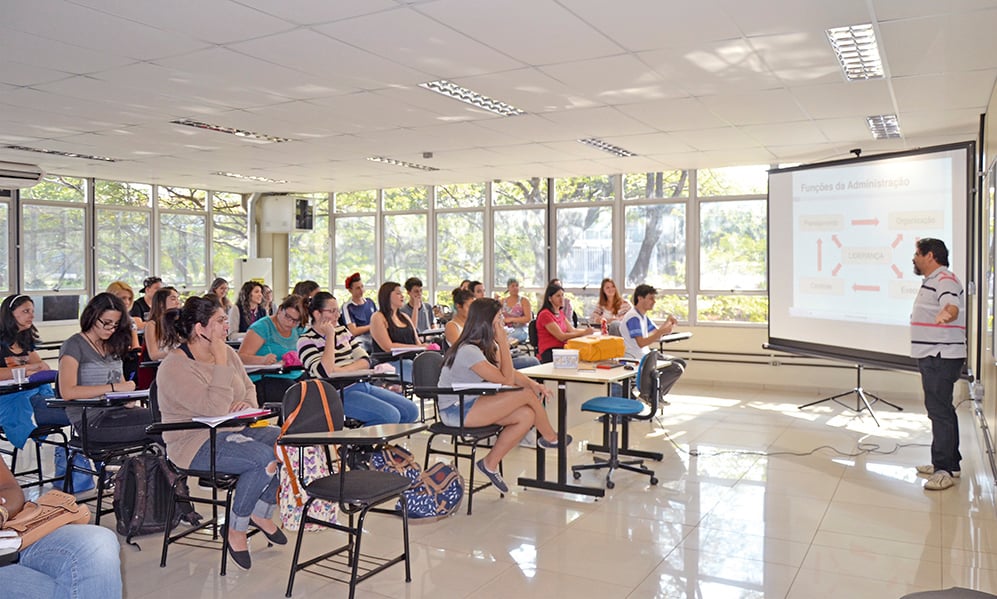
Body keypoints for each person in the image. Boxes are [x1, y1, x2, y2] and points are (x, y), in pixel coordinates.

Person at [157, 296, 285, 570]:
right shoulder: (174, 366)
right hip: (193, 443)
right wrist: (221, 362)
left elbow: (249, 388)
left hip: (234, 429)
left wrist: (246, 405)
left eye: (226, 319)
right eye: (220, 321)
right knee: (262, 459)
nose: (227, 326)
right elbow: (212, 409)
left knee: (286, 443)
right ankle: (236, 528)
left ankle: (261, 513)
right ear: (200, 328)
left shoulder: (227, 353)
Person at [437, 298, 566, 493]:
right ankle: (551, 437)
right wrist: (503, 341)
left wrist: (534, 384)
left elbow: (509, 373)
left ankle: (489, 463)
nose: (502, 322)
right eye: (498, 318)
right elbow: (506, 380)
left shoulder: (485, 345)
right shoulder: (468, 350)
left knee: (526, 415)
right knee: (525, 395)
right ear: (486, 321)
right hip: (455, 410)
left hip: (473, 401)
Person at [0, 458, 123, 598]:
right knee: (78, 590)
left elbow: (8, 487)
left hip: (10, 538)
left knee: (98, 543)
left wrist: (1, 512)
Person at [298, 292, 419, 424]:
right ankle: (362, 438)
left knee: (411, 411)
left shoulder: (343, 332)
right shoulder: (306, 340)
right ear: (317, 314)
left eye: (337, 311)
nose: (337, 315)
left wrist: (340, 371)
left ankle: (377, 437)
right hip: (336, 393)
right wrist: (330, 336)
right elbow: (324, 372)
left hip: (361, 384)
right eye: (332, 311)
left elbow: (365, 360)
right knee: (390, 416)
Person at [58, 293, 153, 443]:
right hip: (91, 420)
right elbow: (67, 392)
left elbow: (121, 385)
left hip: (117, 412)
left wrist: (129, 397)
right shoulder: (74, 345)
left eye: (116, 324)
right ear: (92, 316)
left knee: (167, 418)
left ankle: (164, 457)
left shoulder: (112, 345)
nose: (111, 329)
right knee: (159, 426)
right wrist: (113, 388)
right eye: (107, 323)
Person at [910, 238, 967, 491]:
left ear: (930, 256)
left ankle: (943, 470)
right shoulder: (934, 280)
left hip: (940, 355)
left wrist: (948, 313)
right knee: (942, 409)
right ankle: (949, 464)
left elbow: (951, 304)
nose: (914, 258)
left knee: (938, 411)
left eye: (917, 254)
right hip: (935, 354)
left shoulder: (944, 279)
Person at [0, 294, 66, 448]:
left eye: (32, 311)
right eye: (26, 311)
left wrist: (31, 369)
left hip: (31, 395)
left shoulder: (24, 342)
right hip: (11, 400)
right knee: (80, 414)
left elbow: (42, 367)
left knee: (74, 401)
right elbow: (31, 369)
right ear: (10, 314)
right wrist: (27, 369)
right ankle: (72, 456)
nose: (31, 316)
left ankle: (71, 455)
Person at [619, 284, 686, 398]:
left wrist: (668, 322)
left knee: (681, 362)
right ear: (640, 298)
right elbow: (641, 343)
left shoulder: (643, 317)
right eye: (651, 298)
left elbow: (657, 333)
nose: (654, 302)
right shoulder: (633, 318)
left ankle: (654, 395)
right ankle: (650, 395)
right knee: (676, 368)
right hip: (636, 357)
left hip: (646, 354)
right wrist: (661, 332)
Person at [238, 295, 306, 403]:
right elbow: (240, 357)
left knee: (316, 389)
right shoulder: (262, 327)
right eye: (287, 317)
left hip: (294, 375)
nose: (290, 323)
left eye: (295, 321)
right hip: (265, 378)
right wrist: (262, 360)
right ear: (280, 310)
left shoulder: (299, 329)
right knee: (296, 396)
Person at [369, 282, 433, 383]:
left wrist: (424, 347)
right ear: (387, 296)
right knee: (419, 370)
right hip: (390, 363)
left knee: (433, 363)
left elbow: (417, 342)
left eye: (402, 293)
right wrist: (417, 347)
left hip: (411, 360)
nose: (402, 296)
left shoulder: (405, 317)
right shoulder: (378, 317)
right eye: (398, 293)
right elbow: (388, 347)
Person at [535, 283, 594, 363]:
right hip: (550, 352)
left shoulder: (560, 313)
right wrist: (583, 333)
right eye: (558, 296)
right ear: (550, 298)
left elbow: (572, 330)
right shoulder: (545, 315)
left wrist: (591, 331)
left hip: (563, 348)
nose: (562, 298)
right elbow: (561, 336)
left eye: (562, 295)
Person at [340, 273, 377, 353]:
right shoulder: (348, 307)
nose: (361, 290)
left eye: (362, 286)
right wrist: (372, 326)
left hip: (376, 336)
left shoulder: (370, 302)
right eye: (357, 288)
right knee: (359, 347)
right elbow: (354, 331)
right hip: (361, 339)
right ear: (350, 290)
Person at [142, 286, 181, 361]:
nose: (178, 302)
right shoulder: (152, 325)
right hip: (164, 363)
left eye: (177, 298)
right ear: (161, 303)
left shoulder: (178, 322)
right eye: (173, 299)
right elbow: (153, 355)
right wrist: (178, 352)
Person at [106, 281, 141, 349]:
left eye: (129, 298)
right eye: (123, 298)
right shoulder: (101, 320)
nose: (127, 302)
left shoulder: (130, 321)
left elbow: (135, 346)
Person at [500, 278, 532, 343]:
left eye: (517, 285)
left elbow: (528, 318)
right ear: (508, 288)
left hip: (521, 330)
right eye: (513, 286)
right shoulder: (502, 301)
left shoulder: (524, 301)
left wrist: (511, 319)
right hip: (506, 329)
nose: (515, 288)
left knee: (506, 338)